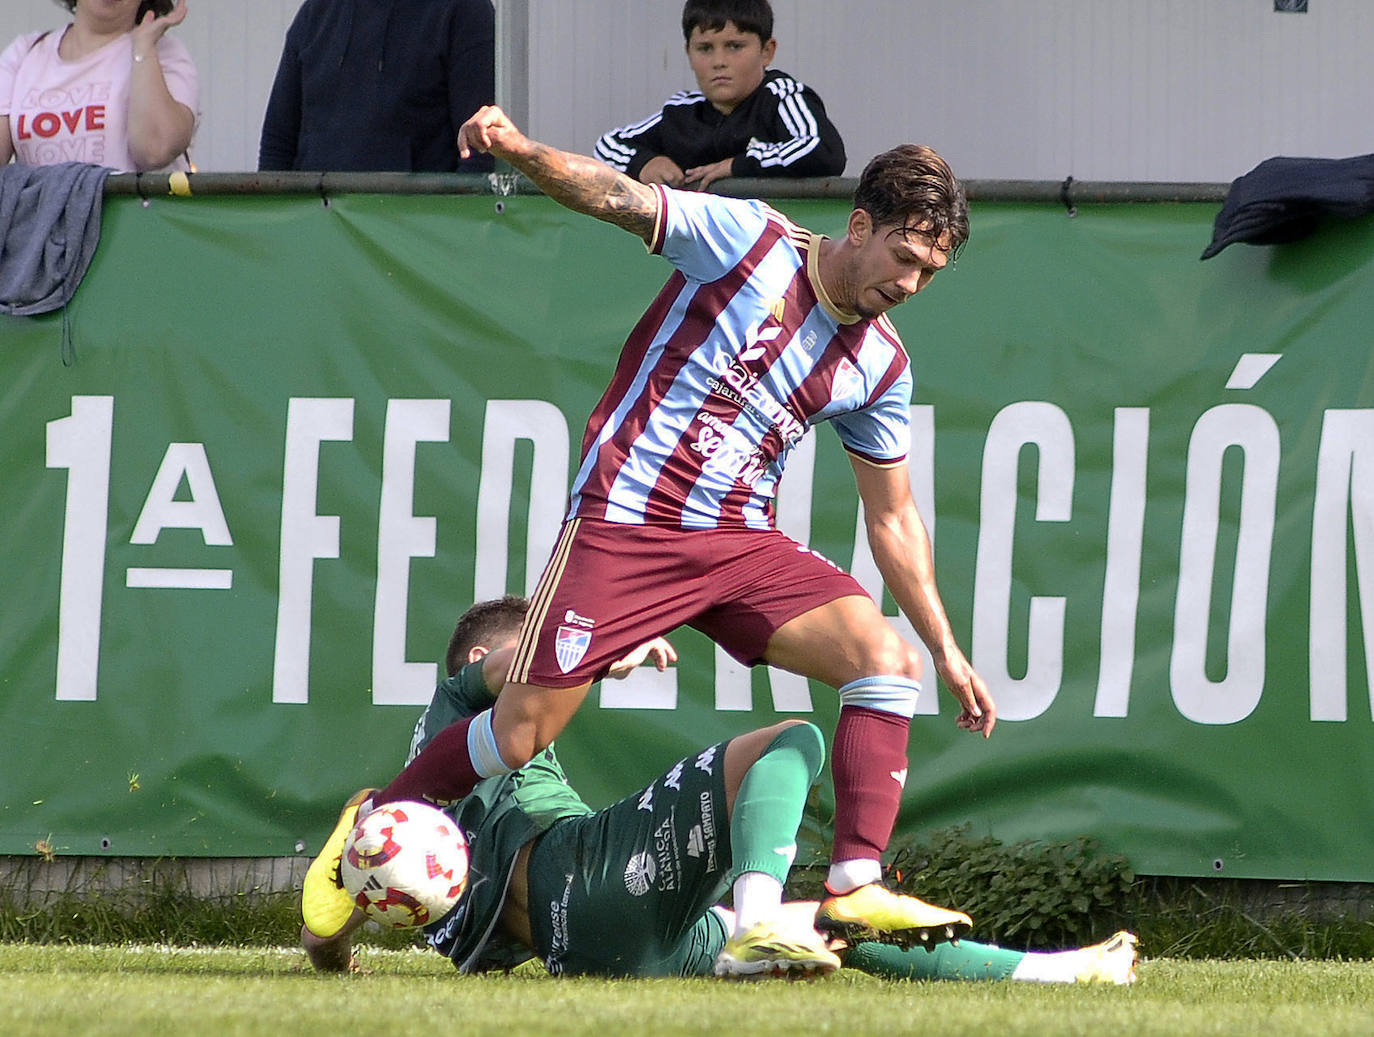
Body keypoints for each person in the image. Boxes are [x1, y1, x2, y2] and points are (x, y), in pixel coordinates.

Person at [308, 102, 998, 957]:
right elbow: (617, 198)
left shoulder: (881, 362)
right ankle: (371, 824)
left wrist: (946, 648)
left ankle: (855, 882)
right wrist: (521, 148)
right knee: (521, 732)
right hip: (626, 520)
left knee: (883, 662)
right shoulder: (747, 243)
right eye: (903, 257)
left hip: (739, 541)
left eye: (929, 271)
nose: (909, 284)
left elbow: (892, 515)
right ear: (859, 227)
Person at [303, 598, 1137, 984]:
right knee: (792, 740)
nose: (548, 675)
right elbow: (503, 665)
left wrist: (336, 961)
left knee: (839, 930)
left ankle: (1055, 975)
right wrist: (598, 651)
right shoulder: (461, 702)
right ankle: (763, 909)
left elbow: (326, 923)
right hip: (579, 874)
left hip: (593, 956)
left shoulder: (392, 831)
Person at [595, 0, 845, 192]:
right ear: (688, 53)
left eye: (735, 46)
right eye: (704, 48)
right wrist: (645, 163)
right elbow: (607, 145)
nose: (719, 62)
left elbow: (823, 149)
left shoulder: (780, 97)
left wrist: (736, 166)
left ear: (767, 52)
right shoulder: (681, 112)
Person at [257, 0, 494, 173]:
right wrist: (273, 222)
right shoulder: (315, 13)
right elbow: (277, 145)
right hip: (313, 227)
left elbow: (478, 151)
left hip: (412, 230)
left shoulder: (464, 10)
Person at [0, 0, 197, 171]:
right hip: (40, 214)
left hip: (135, 214)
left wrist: (143, 48)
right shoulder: (25, 52)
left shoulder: (164, 52)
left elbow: (155, 151)